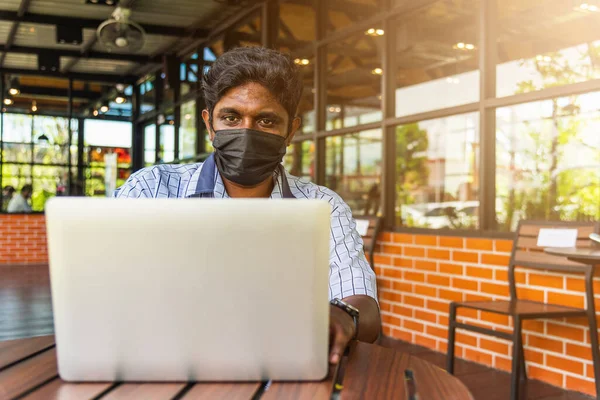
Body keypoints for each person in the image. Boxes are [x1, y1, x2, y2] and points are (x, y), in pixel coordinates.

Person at [114, 47, 381, 364]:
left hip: (282, 374)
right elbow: (111, 295)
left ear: (290, 130)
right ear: (209, 123)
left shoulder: (323, 206)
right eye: (231, 117)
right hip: (165, 365)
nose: (247, 132)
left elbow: (366, 310)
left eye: (266, 120)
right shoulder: (151, 191)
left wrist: (343, 315)